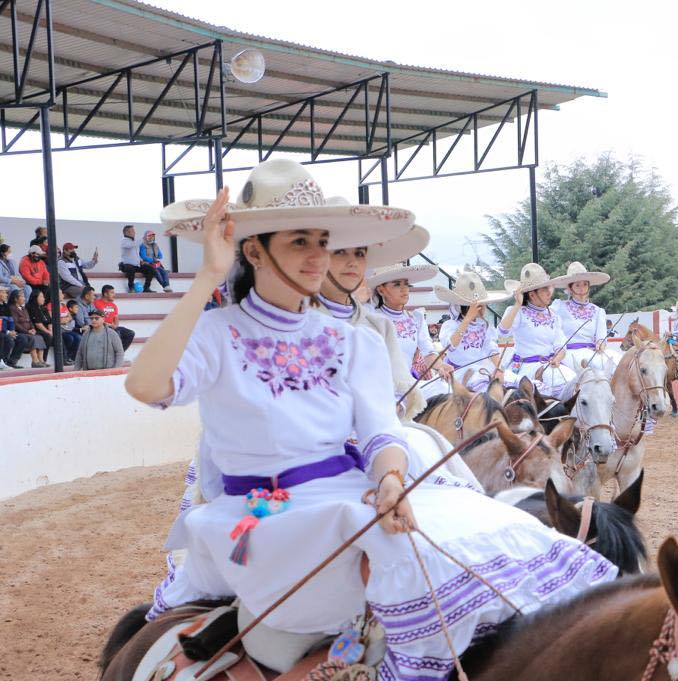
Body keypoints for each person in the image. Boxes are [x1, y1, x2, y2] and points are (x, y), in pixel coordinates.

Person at [133, 159, 613, 677]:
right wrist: (208, 276)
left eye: (323, 240)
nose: (320, 255)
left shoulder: (353, 339)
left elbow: (381, 428)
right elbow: (146, 386)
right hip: (261, 512)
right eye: (300, 242)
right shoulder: (216, 333)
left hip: (349, 491)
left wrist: (389, 478)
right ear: (254, 250)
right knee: (400, 548)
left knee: (499, 523)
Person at [316, 222, 429, 419]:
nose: (352, 262)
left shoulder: (379, 326)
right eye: (341, 252)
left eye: (360, 253)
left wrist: (397, 407)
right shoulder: (301, 318)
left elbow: (399, 383)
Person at [369, 262, 452, 400]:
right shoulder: (373, 318)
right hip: (379, 387)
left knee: (444, 390)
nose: (404, 289)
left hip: (407, 385)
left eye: (406, 284)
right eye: (397, 284)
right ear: (381, 290)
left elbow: (428, 352)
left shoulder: (416, 319)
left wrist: (441, 366)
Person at [497, 262, 576, 398]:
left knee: (574, 382)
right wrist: (517, 305)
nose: (549, 292)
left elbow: (561, 345)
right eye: (544, 289)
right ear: (532, 295)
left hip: (551, 366)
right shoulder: (517, 312)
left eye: (548, 287)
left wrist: (558, 358)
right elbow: (502, 332)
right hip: (526, 367)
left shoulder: (554, 316)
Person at [435, 271, 515, 392]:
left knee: (514, 381)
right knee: (485, 387)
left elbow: (490, 348)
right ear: (467, 306)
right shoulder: (450, 325)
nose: (484, 307)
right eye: (480, 305)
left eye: (484, 304)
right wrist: (467, 319)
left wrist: (499, 368)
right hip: (457, 372)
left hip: (478, 370)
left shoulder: (484, 326)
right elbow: (451, 346)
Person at [549, 261, 613, 373]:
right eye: (577, 285)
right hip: (569, 353)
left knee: (617, 363)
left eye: (584, 284)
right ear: (570, 288)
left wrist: (600, 343)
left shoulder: (598, 311)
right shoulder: (559, 306)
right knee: (592, 367)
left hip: (593, 352)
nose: (582, 288)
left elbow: (601, 336)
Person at [0, 284, 31, 368]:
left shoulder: (6, 306)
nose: (6, 295)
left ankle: (12, 361)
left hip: (8, 331)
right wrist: (7, 332)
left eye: (6, 293)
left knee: (23, 338)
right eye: (3, 293)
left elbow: (11, 321)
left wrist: (12, 331)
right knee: (9, 340)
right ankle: (3, 361)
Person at [9, 288, 46, 368]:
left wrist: (33, 329)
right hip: (20, 332)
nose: (24, 298)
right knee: (30, 338)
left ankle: (41, 360)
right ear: (16, 299)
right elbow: (16, 323)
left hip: (28, 331)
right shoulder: (12, 308)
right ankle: (35, 361)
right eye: (22, 297)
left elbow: (29, 321)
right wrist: (27, 331)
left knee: (39, 337)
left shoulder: (24, 308)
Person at [94, 284, 134, 350]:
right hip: (102, 327)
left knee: (130, 333)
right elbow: (95, 318)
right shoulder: (96, 303)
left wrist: (114, 325)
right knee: (117, 334)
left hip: (112, 327)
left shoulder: (114, 305)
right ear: (105, 294)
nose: (114, 295)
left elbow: (116, 319)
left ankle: (120, 353)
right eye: (112, 293)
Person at [119, 225, 156, 293]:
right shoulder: (124, 241)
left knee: (151, 269)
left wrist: (141, 261)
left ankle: (146, 287)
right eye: (132, 231)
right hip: (127, 265)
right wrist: (143, 238)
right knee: (130, 269)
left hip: (136, 265)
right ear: (126, 232)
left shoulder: (135, 241)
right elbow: (131, 245)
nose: (134, 232)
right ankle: (131, 287)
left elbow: (135, 254)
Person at [26, 289, 53, 364]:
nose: (43, 299)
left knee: (58, 336)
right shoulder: (31, 307)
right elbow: (38, 323)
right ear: (35, 298)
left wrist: (50, 330)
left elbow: (50, 321)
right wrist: (48, 332)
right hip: (35, 329)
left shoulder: (43, 307)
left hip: (46, 329)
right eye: (41, 297)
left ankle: (44, 359)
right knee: (47, 336)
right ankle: (42, 359)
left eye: (43, 297)